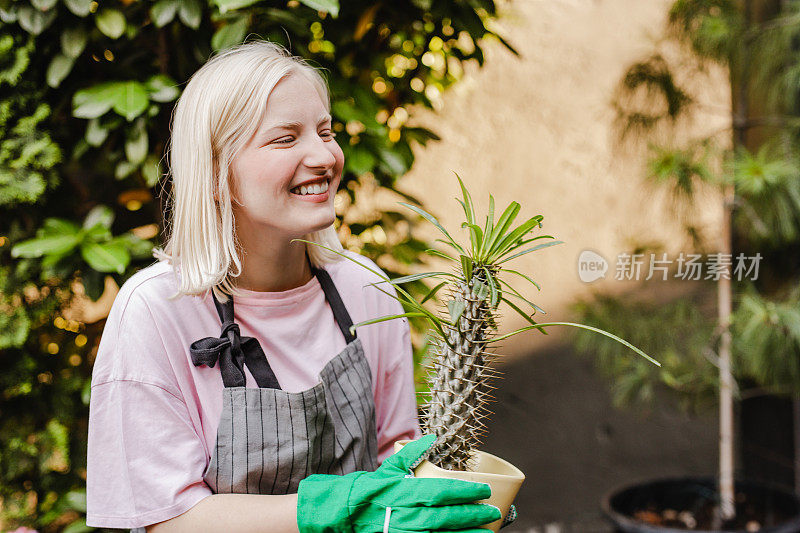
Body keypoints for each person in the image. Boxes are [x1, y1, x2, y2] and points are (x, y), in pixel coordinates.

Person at [85, 40, 501, 532]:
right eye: (285, 138)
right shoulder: (156, 311)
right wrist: (323, 512)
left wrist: (438, 506)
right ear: (218, 169)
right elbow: (168, 521)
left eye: (325, 131)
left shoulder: (366, 288)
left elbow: (396, 455)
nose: (323, 155)